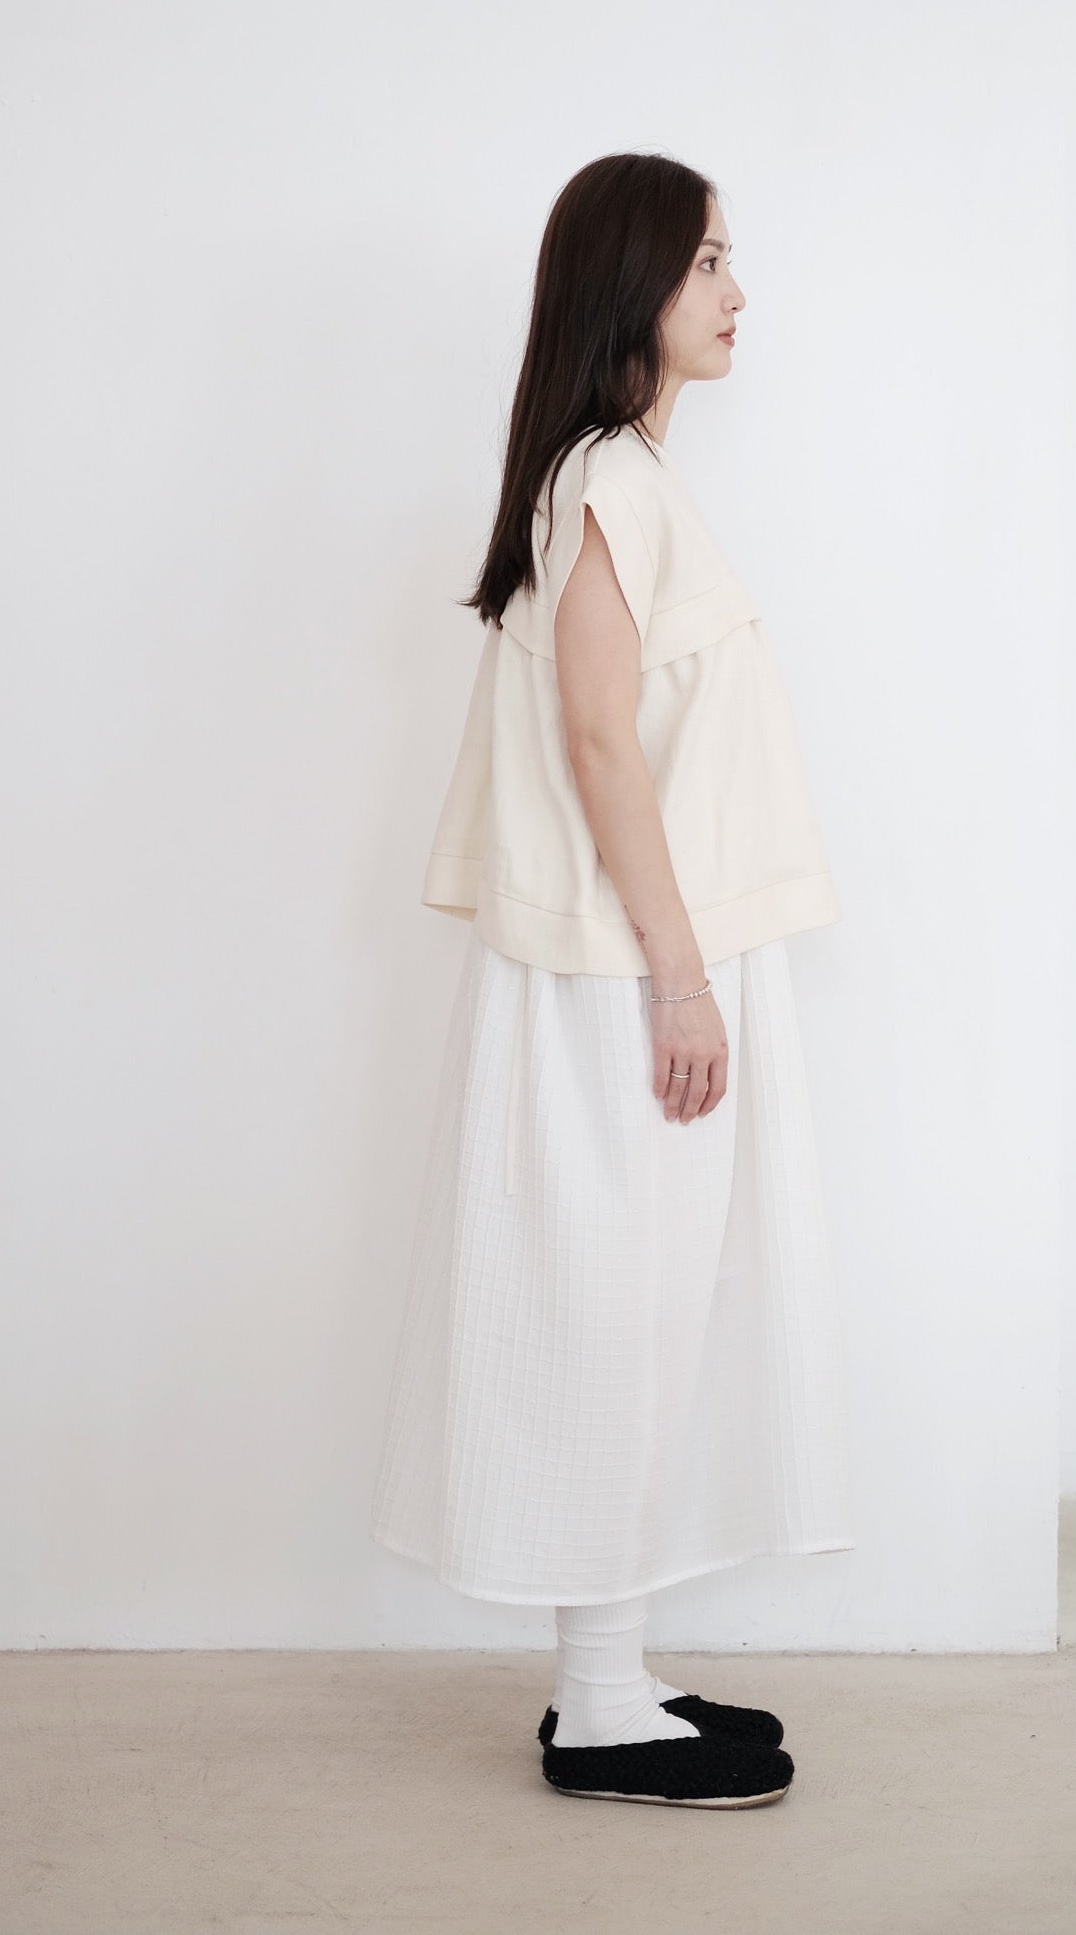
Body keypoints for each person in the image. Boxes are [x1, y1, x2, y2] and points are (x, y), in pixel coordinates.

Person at [370, 152, 854, 1810]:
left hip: (633, 959)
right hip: (620, 975)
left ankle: (614, 1679)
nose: (736, 291)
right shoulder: (606, 483)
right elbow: (597, 740)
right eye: (708, 260)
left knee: (641, 1317)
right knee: (612, 1319)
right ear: (631, 283)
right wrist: (681, 978)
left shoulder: (621, 478)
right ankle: (594, 1710)